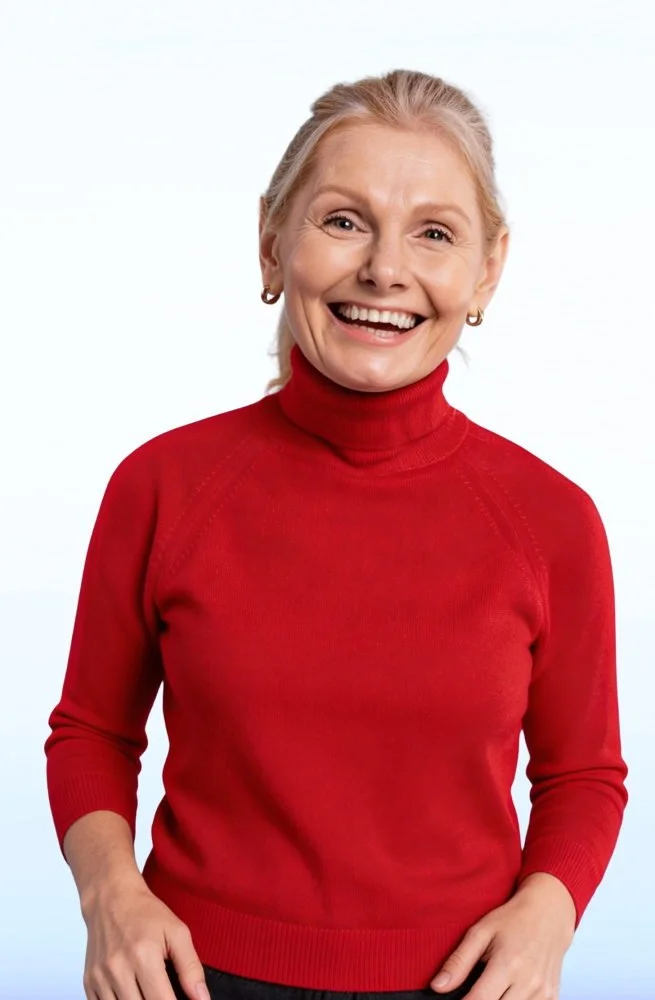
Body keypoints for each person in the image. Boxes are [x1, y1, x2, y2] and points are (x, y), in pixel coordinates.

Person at [45, 69, 628, 1000]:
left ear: (485, 271)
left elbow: (583, 774)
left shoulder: (550, 520)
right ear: (272, 244)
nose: (385, 270)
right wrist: (109, 898)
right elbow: (91, 732)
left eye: (433, 233)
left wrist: (548, 915)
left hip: (462, 984)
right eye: (344, 220)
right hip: (188, 980)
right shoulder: (162, 486)